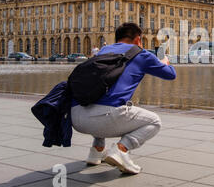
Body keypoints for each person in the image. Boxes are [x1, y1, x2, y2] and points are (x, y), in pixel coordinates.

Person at [70, 23, 176, 174]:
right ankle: (121, 149)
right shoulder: (141, 54)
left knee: (100, 95)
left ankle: (96, 150)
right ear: (138, 40)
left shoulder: (102, 52)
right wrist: (164, 62)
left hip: (76, 117)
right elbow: (171, 74)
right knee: (154, 121)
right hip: (103, 119)